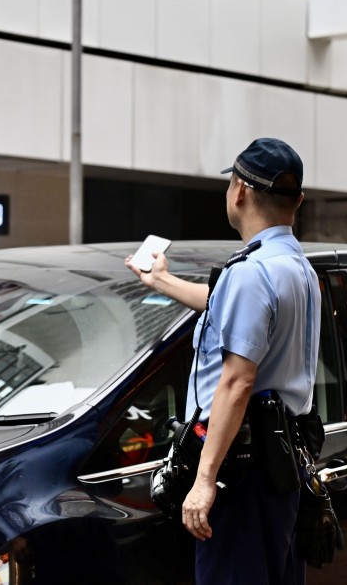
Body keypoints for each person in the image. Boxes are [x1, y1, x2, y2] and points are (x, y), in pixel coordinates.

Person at [126, 137, 320, 584]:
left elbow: (236, 382)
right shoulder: (296, 266)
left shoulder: (252, 272)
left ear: (239, 191)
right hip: (281, 466)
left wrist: (205, 480)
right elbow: (225, 305)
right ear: (298, 201)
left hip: (243, 471)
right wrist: (163, 281)